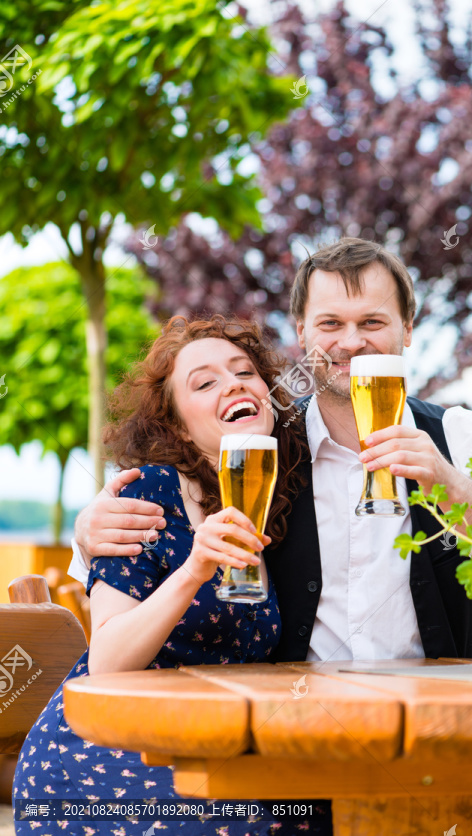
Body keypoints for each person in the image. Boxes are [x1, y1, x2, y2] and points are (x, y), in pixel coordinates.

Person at [70, 237, 472, 663]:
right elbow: (167, 515)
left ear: (407, 329)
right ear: (302, 332)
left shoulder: (468, 441)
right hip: (291, 725)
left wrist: (455, 491)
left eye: (372, 321)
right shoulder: (257, 447)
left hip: (437, 719)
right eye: (331, 323)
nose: (350, 342)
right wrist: (85, 531)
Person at [13, 316, 333, 836]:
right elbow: (109, 662)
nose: (232, 384)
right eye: (204, 383)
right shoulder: (150, 495)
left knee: (328, 810)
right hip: (102, 755)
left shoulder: (274, 503)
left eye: (245, 372)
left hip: (201, 748)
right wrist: (193, 570)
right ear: (180, 426)